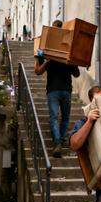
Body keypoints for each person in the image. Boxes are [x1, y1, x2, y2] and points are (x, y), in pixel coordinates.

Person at [34, 20, 80, 158]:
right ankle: (58, 142)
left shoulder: (51, 51)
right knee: (62, 117)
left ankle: (57, 142)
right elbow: (38, 71)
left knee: (55, 117)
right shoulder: (52, 51)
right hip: (62, 90)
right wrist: (45, 59)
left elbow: (38, 71)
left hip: (56, 90)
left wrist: (72, 61)